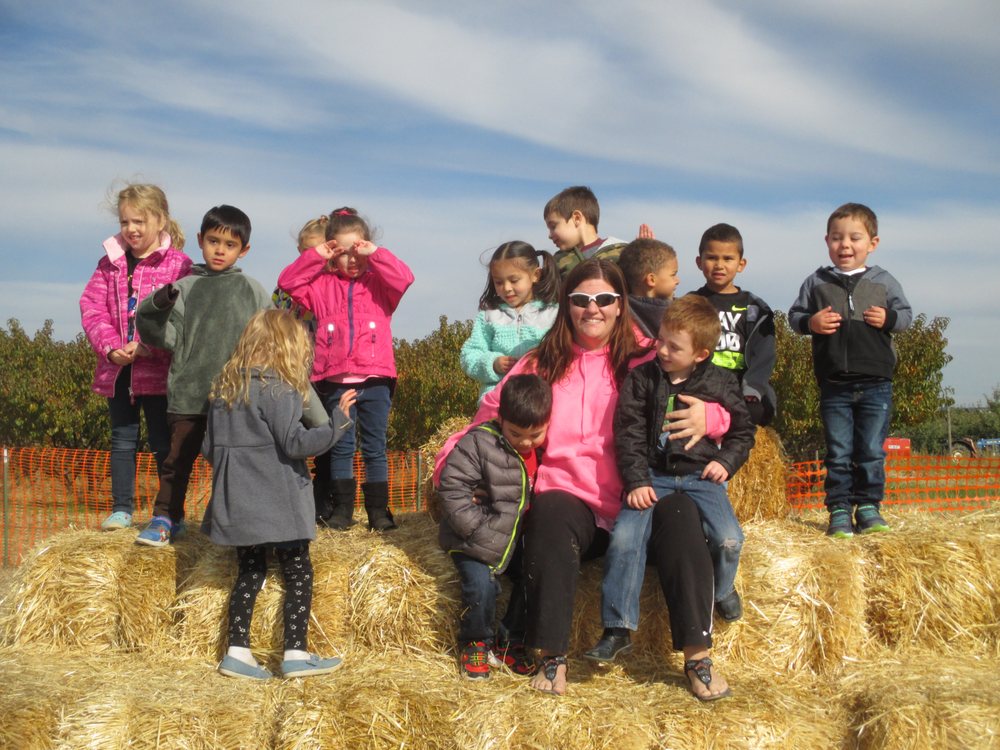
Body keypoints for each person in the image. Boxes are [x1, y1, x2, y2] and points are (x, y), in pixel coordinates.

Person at [436, 259, 733, 700]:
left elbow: (724, 395)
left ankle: (698, 658)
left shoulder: (651, 359)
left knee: (682, 516)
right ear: (566, 304)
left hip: (642, 493)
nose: (592, 308)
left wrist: (712, 417)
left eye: (604, 299)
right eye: (581, 299)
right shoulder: (541, 362)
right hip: (572, 497)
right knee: (549, 513)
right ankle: (552, 656)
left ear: (620, 305)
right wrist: (447, 466)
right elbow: (490, 418)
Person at [587, 295, 754, 666]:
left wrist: (726, 461)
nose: (661, 350)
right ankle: (617, 628)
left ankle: (723, 589)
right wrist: (636, 480)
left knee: (729, 539)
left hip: (702, 477)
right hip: (654, 476)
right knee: (625, 539)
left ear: (700, 354)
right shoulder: (642, 378)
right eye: (660, 340)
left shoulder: (721, 382)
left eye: (673, 347)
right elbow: (628, 432)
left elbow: (743, 431)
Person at [202, 309, 357, 680]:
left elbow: (208, 448)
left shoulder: (225, 390)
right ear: (288, 347)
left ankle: (237, 652)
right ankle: (295, 654)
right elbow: (296, 444)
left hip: (237, 503)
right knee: (299, 573)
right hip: (281, 505)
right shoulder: (280, 389)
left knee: (250, 572)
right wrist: (337, 424)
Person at [134, 204, 272, 547]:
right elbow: (161, 336)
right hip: (189, 395)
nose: (220, 250)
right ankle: (166, 518)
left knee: (232, 465)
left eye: (230, 244)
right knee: (177, 462)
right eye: (213, 241)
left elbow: (270, 340)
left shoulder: (253, 291)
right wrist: (156, 307)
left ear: (244, 250)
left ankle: (233, 525)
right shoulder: (183, 289)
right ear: (200, 240)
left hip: (236, 399)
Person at [277, 207, 414, 531]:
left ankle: (379, 512)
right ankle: (342, 510)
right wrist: (317, 255)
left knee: (374, 447)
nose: (352, 259)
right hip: (336, 379)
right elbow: (287, 282)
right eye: (343, 252)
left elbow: (405, 277)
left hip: (376, 378)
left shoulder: (380, 286)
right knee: (341, 446)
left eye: (358, 250)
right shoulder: (321, 288)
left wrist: (375, 254)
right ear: (332, 252)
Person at [788, 203, 912, 538]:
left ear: (873, 243)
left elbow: (906, 316)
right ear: (827, 241)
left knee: (871, 450)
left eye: (854, 238)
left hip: (876, 382)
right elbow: (794, 317)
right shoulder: (816, 282)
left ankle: (869, 507)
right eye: (836, 238)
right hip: (834, 384)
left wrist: (888, 318)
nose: (845, 245)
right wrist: (811, 322)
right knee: (839, 452)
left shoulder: (884, 281)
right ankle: (840, 509)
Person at [80, 183, 192, 531]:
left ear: (161, 221)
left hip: (159, 372)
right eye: (125, 221)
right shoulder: (109, 263)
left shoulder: (179, 265)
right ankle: (121, 510)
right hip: (118, 370)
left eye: (139, 221)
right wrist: (111, 347)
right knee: (122, 440)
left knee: (163, 443)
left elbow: (182, 316)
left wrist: (148, 344)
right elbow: (92, 307)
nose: (131, 229)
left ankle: (170, 513)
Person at [437, 373, 551, 680]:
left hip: (512, 538)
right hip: (472, 538)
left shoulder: (546, 452)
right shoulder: (478, 443)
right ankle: (475, 642)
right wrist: (477, 532)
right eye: (516, 434)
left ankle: (510, 640)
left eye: (535, 434)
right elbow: (452, 490)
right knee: (480, 585)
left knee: (535, 576)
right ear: (500, 419)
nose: (526, 442)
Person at [690, 223, 777, 426]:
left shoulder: (755, 308)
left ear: (741, 264)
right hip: (699, 385)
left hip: (739, 386)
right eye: (712, 258)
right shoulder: (690, 303)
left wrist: (752, 389)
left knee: (756, 412)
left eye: (728, 258)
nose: (719, 265)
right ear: (699, 262)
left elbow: (764, 355)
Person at [460, 241, 560, 402]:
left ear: (535, 275)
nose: (506, 288)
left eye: (514, 280)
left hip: (541, 402)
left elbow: (563, 354)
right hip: (496, 403)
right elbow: (469, 355)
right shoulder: (489, 315)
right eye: (499, 282)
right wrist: (493, 364)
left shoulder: (553, 313)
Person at [543, 185, 626, 276]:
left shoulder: (622, 253)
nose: (549, 235)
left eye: (553, 226)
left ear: (577, 218)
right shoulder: (556, 263)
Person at [617, 237, 680, 346]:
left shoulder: (622, 313)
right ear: (651, 280)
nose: (677, 281)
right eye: (673, 275)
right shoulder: (681, 316)